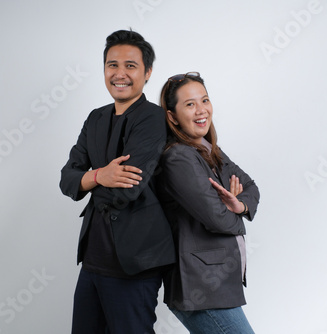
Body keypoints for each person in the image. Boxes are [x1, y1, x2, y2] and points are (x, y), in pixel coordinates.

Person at [59, 29, 175, 334]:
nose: (119, 74)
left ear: (147, 73)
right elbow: (66, 180)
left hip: (134, 263)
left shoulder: (152, 117)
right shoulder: (95, 118)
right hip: (93, 260)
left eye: (130, 66)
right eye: (112, 65)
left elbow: (129, 189)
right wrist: (99, 175)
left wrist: (87, 181)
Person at [158, 72, 260, 334]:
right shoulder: (178, 157)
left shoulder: (208, 149)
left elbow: (250, 187)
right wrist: (233, 214)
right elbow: (216, 218)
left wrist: (239, 205)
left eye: (204, 100)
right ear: (172, 116)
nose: (201, 110)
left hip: (218, 283)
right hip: (201, 286)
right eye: (190, 104)